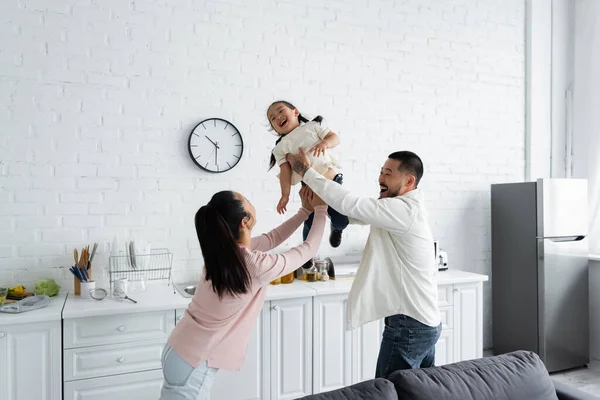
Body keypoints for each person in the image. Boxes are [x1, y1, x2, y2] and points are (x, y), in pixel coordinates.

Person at [286, 148, 441, 378]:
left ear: (409, 181)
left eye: (388, 173)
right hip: (424, 322)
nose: (380, 178)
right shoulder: (400, 208)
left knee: (390, 390)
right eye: (381, 172)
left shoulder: (403, 210)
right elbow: (350, 213)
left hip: (410, 325)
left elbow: (351, 205)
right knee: (420, 390)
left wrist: (307, 172)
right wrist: (320, 204)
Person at [160, 186, 327, 400]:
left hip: (178, 351)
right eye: (246, 200)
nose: (250, 201)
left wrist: (304, 212)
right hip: (193, 363)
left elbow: (271, 238)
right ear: (244, 221)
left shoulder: (223, 251)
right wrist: (321, 209)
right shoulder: (252, 265)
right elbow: (308, 250)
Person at [266, 100, 349, 248]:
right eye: (272, 118)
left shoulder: (313, 126)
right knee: (309, 224)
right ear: (274, 128)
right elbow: (285, 172)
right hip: (310, 189)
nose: (278, 117)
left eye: (280, 111)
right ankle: (306, 252)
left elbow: (334, 137)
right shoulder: (280, 148)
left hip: (332, 182)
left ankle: (337, 229)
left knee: (342, 220)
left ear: (295, 112)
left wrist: (325, 143)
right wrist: (285, 195)